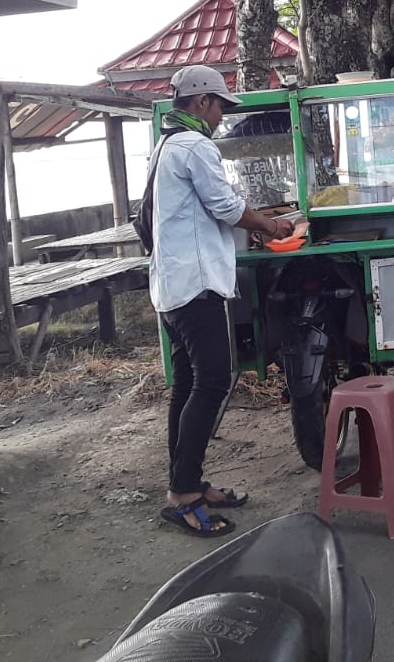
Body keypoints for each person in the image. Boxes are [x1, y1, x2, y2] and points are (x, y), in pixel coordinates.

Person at [148, 64, 295, 537]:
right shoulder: (195, 145)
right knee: (211, 382)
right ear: (201, 102)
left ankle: (186, 482)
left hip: (171, 287)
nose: (220, 116)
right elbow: (227, 207)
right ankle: (183, 496)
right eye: (219, 107)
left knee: (188, 385)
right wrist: (273, 226)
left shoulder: (166, 145)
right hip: (196, 287)